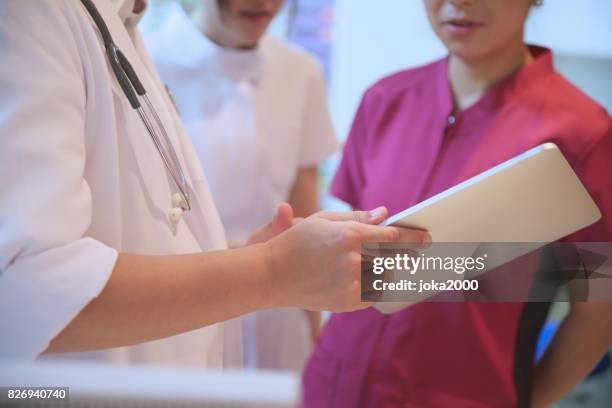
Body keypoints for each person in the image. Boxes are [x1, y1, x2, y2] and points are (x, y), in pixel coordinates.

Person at [0, 0, 430, 365]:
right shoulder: (37, 16)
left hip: (255, 317)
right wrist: (271, 269)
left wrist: (265, 260)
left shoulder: (123, 27)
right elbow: (23, 291)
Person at [302, 0, 612, 406]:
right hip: (333, 386)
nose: (457, 4)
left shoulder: (581, 134)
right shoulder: (385, 100)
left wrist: (527, 399)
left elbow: (599, 307)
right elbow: (350, 260)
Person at [144, 0, 336, 371]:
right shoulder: (149, 65)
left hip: (278, 313)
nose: (264, 4)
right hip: (180, 301)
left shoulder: (300, 71)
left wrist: (314, 330)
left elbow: (305, 209)